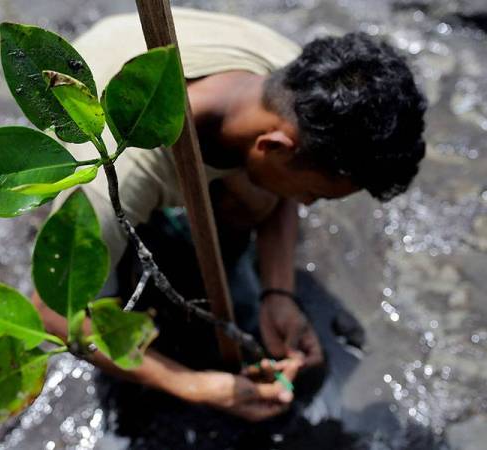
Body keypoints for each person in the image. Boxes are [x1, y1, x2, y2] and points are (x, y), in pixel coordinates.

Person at [32, 7, 426, 423]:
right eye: (313, 194)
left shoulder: (294, 85)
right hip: (92, 71)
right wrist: (192, 384)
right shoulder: (121, 170)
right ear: (273, 146)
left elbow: (285, 190)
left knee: (261, 197)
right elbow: (51, 311)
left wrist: (278, 293)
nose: (307, 206)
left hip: (170, 76)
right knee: (97, 296)